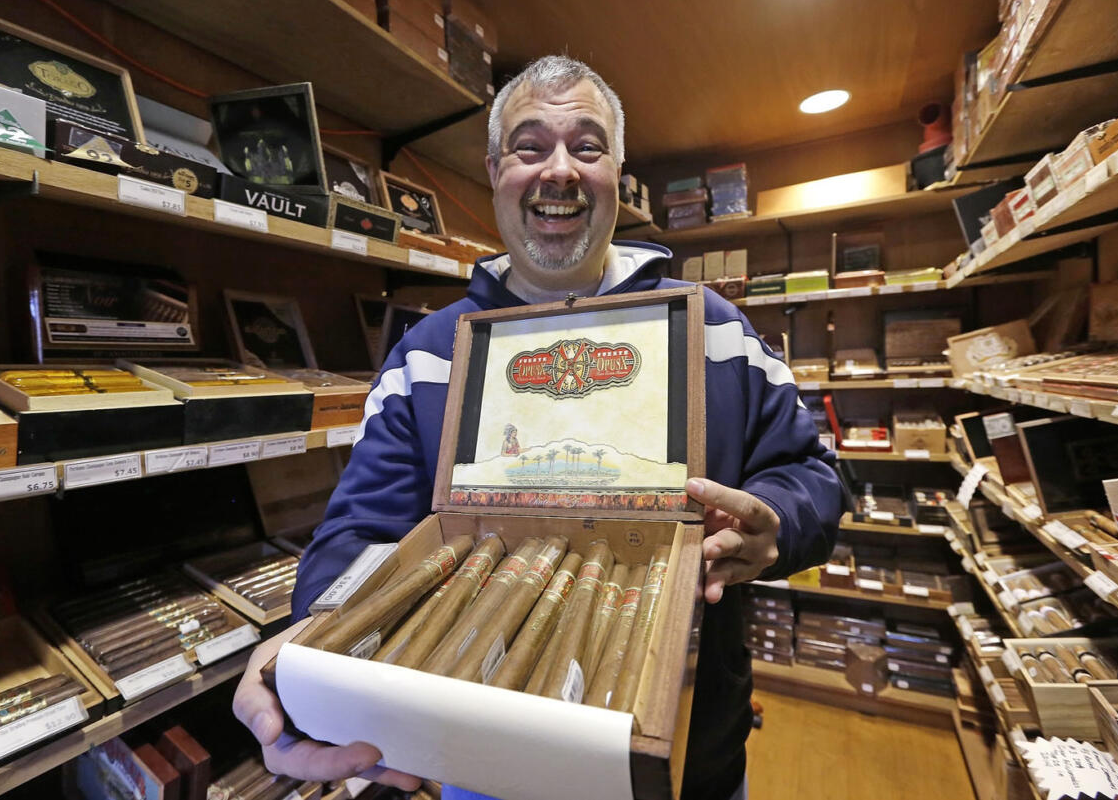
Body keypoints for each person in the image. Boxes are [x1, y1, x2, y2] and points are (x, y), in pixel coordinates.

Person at [232, 55, 842, 800]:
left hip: (692, 764)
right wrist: (318, 641)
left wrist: (776, 521)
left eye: (587, 147)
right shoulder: (427, 354)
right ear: (494, 170)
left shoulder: (718, 328)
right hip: (482, 772)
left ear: (617, 169)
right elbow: (359, 534)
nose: (559, 171)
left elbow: (814, 473)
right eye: (530, 147)